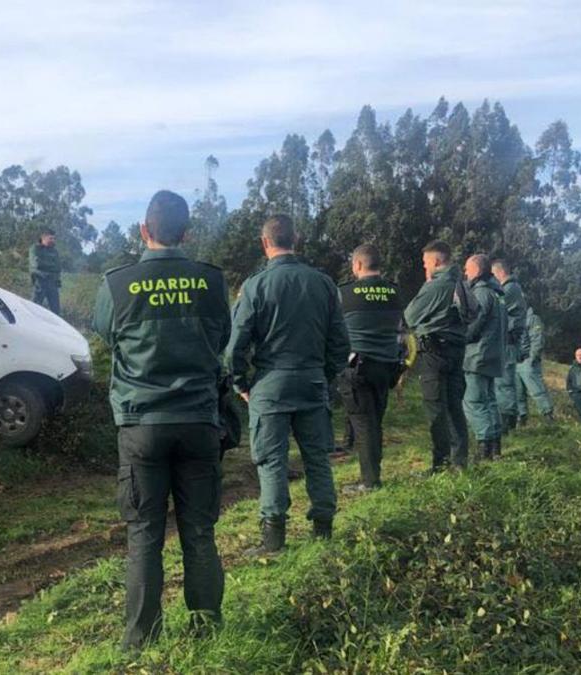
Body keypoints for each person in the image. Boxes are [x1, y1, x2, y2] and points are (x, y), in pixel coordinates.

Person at [91, 190, 231, 651]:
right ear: (186, 234)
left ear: (143, 231)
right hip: (198, 422)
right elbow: (222, 337)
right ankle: (208, 629)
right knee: (199, 529)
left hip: (142, 424)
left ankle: (139, 640)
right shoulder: (211, 282)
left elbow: (106, 332)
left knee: (145, 534)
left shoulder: (117, 284)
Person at [228, 215, 350, 552]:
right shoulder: (324, 283)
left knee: (272, 461)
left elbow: (236, 344)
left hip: (269, 386)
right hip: (312, 382)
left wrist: (241, 383)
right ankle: (323, 533)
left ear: (265, 243)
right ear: (297, 239)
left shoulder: (255, 286)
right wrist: (322, 376)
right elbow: (341, 342)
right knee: (317, 459)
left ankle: (273, 540)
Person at [337, 244, 402, 492]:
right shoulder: (395, 292)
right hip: (386, 368)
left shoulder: (345, 293)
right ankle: (372, 475)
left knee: (364, 426)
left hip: (357, 368)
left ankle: (370, 482)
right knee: (375, 422)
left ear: (358, 265)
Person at [403, 241, 471, 472]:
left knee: (435, 407)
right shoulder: (462, 284)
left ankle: (439, 464)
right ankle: (460, 461)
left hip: (433, 352)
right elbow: (475, 312)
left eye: (425, 262)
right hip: (457, 350)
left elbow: (410, 316)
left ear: (436, 261)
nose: (424, 267)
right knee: (455, 406)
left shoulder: (435, 286)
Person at [462, 254, 508, 460]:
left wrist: (457, 338)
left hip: (476, 356)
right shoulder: (498, 294)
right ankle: (495, 447)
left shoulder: (480, 293)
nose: (465, 272)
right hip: (493, 355)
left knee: (473, 402)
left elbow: (473, 326)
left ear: (478, 271)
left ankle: (484, 449)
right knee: (489, 401)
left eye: (467, 269)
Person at [491, 259, 526, 434]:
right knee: (505, 381)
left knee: (504, 382)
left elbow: (496, 309)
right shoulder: (515, 288)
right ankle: (507, 417)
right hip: (510, 340)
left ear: (499, 273)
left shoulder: (509, 289)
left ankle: (507, 420)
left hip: (507, 340)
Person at [516, 305, 555, 424]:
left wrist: (532, 358)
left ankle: (548, 416)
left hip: (527, 361)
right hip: (514, 361)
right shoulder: (511, 318)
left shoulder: (532, 318)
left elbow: (537, 339)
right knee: (517, 393)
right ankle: (521, 418)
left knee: (537, 390)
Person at [29, 228, 61, 314]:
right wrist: (51, 266)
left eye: (54, 238)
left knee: (56, 310)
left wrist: (47, 268)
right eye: (51, 238)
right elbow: (36, 264)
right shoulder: (35, 248)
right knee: (34, 308)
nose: (53, 240)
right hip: (40, 282)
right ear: (43, 238)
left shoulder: (54, 251)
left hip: (52, 282)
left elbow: (58, 267)